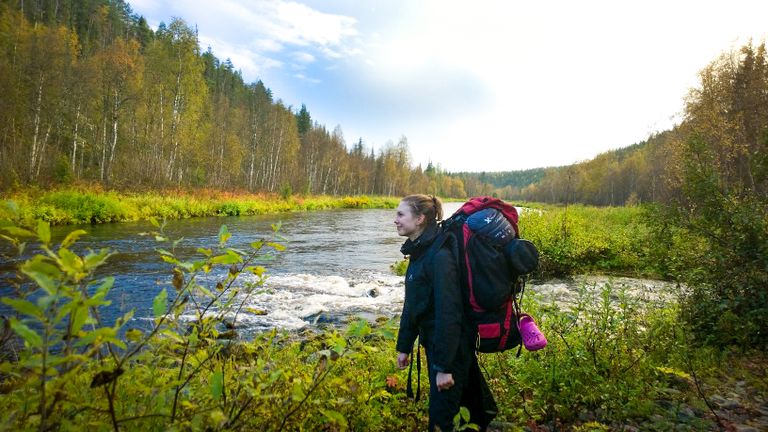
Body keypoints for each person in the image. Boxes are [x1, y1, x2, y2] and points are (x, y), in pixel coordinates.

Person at [394, 194, 497, 431]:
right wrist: (404, 346)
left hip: (452, 349)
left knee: (441, 420)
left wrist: (444, 367)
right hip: (442, 346)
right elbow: (413, 304)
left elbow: (448, 314)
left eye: (401, 214)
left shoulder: (440, 256)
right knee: (474, 409)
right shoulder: (419, 252)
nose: (395, 220)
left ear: (420, 218)